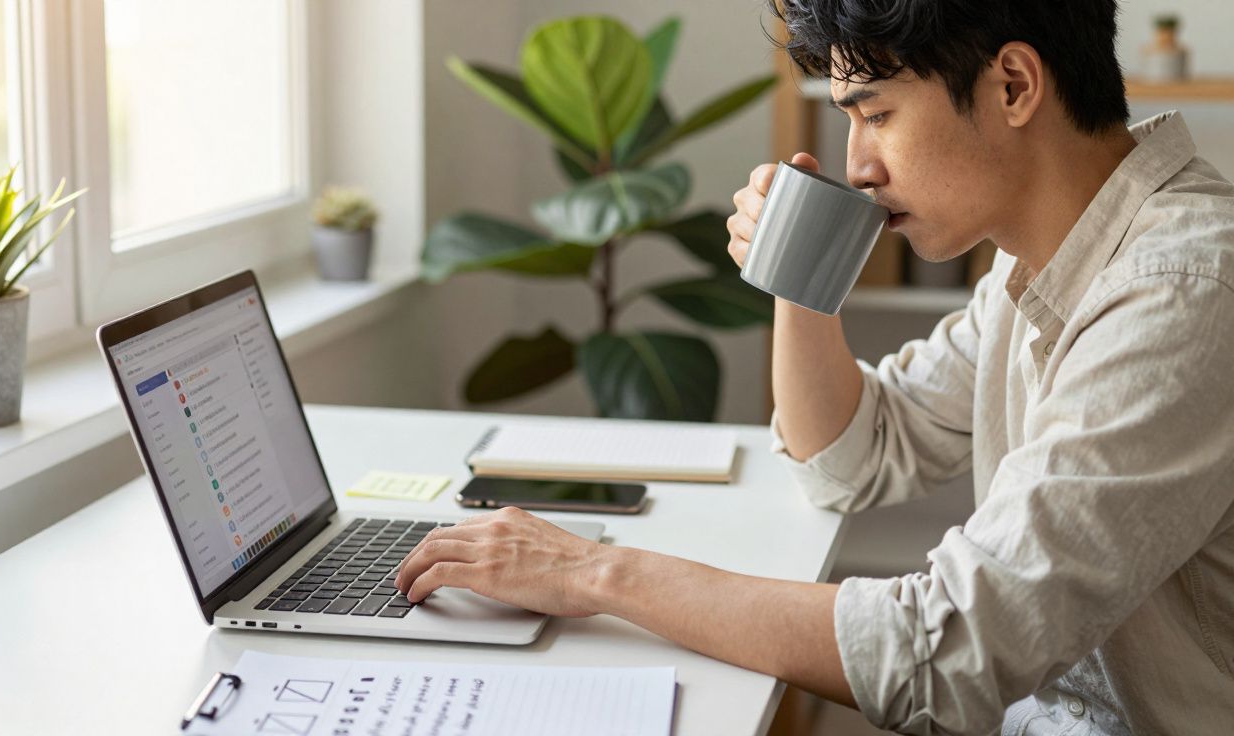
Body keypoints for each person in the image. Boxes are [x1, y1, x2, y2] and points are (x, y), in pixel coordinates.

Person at [396, 1, 1234, 732]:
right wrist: (799, 272)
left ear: (1013, 85)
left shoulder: (1181, 293)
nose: (858, 166)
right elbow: (849, 458)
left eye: (876, 113)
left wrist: (590, 570)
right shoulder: (1038, 267)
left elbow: (946, 655)